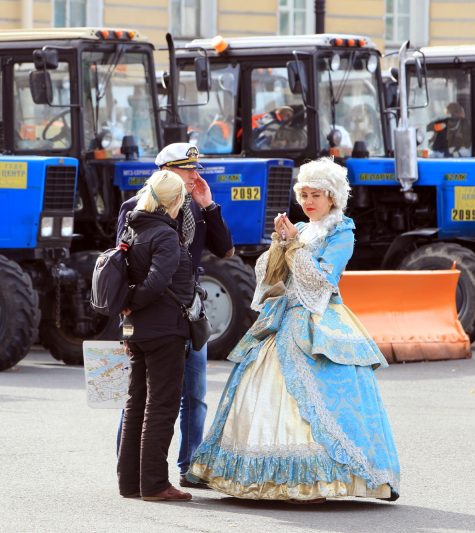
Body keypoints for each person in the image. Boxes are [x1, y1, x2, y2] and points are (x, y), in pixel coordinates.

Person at [186, 157, 400, 503]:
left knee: (325, 401)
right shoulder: (299, 229)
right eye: (303, 194)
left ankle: (330, 477)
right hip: (282, 319)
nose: (308, 201)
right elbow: (270, 278)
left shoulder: (341, 231)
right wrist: (279, 244)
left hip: (318, 320)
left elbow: (323, 281)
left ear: (332, 197)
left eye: (316, 194)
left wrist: (295, 248)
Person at [116, 142, 234, 490]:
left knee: (193, 392)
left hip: (187, 307)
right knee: (146, 398)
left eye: (196, 170)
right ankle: (135, 469)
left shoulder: (195, 208)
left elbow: (225, 249)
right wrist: (129, 310)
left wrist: (209, 205)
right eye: (188, 170)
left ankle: (190, 464)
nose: (195, 176)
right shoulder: (135, 208)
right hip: (157, 311)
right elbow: (123, 263)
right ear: (166, 173)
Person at [117, 169, 195, 502]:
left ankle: (130, 482)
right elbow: (158, 281)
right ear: (175, 200)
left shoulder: (134, 227)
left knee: (137, 404)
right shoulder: (164, 234)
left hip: (139, 331)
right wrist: (134, 303)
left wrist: (127, 308)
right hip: (164, 328)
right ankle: (154, 484)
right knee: (161, 407)